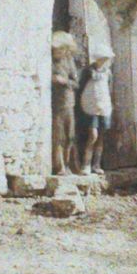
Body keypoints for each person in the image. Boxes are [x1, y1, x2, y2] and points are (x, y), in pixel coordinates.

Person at [77, 49, 114, 175]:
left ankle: (96, 164)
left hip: (103, 106)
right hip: (91, 105)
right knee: (93, 135)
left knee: (101, 137)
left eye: (106, 59)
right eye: (103, 59)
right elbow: (81, 87)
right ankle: (85, 164)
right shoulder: (88, 72)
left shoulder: (108, 73)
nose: (105, 61)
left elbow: (108, 88)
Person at [50, 30, 81, 175]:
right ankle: (60, 167)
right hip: (55, 105)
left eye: (60, 49)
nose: (57, 51)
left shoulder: (69, 62)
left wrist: (64, 81)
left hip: (69, 103)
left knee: (69, 137)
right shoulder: (49, 62)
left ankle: (68, 164)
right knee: (58, 137)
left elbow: (76, 83)